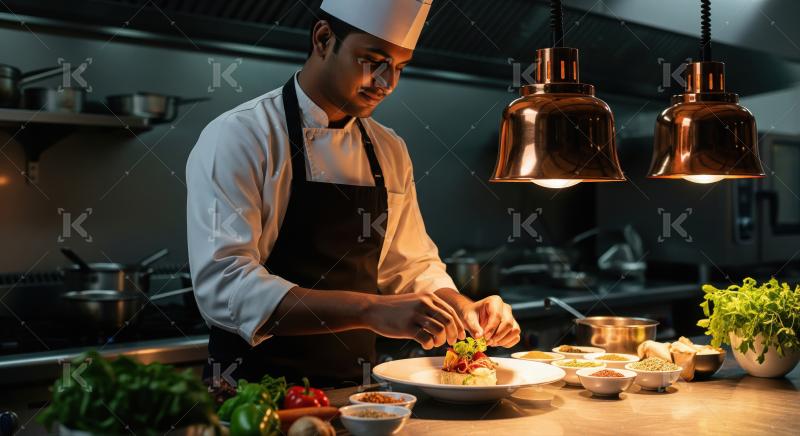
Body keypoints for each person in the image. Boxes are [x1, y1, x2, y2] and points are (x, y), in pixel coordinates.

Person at [187, 0, 520, 387]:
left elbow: (409, 265)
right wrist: (369, 309)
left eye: (399, 68)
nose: (387, 82)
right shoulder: (240, 136)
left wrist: (463, 308)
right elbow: (225, 286)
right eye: (372, 60)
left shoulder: (388, 149)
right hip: (250, 393)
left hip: (355, 395)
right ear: (324, 39)